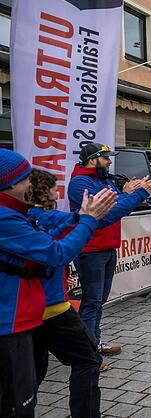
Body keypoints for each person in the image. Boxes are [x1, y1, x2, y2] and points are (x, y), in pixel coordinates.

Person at [0, 150, 116, 417]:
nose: (31, 182)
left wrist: (87, 216)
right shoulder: (7, 218)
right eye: (25, 177)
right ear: (10, 183)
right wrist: (88, 220)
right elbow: (57, 253)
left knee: (26, 386)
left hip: (26, 316)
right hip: (13, 321)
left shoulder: (18, 213)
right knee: (17, 402)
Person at [67, 142, 151, 355]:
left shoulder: (104, 181)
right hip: (90, 250)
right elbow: (106, 214)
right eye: (105, 158)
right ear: (92, 160)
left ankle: (94, 343)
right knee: (92, 301)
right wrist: (139, 193)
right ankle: (88, 351)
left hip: (107, 247)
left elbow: (118, 206)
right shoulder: (80, 183)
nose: (110, 161)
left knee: (99, 300)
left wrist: (127, 193)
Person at [26, 170, 105, 417]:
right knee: (88, 359)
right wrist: (89, 218)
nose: (56, 192)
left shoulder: (28, 217)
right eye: (52, 187)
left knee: (32, 372)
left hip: (31, 310)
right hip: (51, 308)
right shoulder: (30, 220)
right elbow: (59, 253)